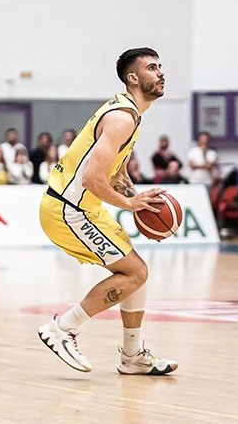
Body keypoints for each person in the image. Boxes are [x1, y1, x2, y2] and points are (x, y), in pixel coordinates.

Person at [38, 47, 176, 375]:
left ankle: (132, 356)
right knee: (136, 273)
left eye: (160, 66)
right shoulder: (121, 119)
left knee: (137, 272)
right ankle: (62, 329)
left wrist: (139, 201)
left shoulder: (131, 114)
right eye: (152, 68)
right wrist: (130, 205)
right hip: (67, 210)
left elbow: (116, 174)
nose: (160, 73)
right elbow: (92, 179)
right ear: (133, 78)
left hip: (85, 208)